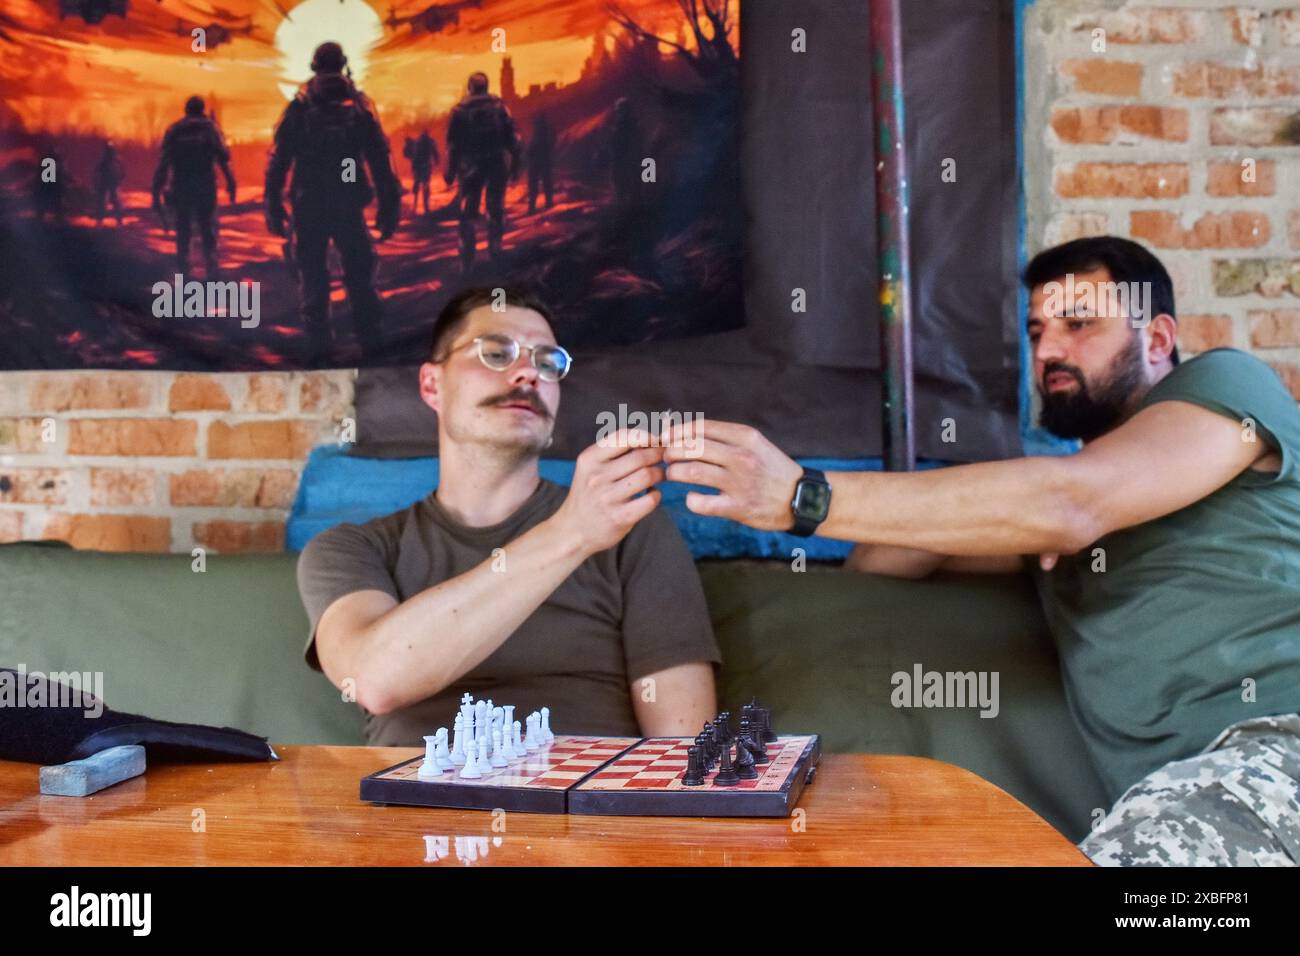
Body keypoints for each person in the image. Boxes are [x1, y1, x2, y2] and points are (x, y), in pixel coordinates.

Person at [659, 236, 1300, 866]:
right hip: (1172, 798)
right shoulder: (1059, 517)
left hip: (1274, 752)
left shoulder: (1227, 386)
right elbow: (878, 564)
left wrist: (804, 496)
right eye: (1035, 331)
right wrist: (1011, 514)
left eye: (1078, 324)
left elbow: (1074, 503)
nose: (1048, 350)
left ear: (1157, 340)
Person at [297, 286, 720, 745]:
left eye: (546, 362)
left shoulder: (632, 528)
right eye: (497, 353)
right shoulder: (350, 550)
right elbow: (375, 681)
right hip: (413, 809)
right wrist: (572, 532)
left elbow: (682, 747)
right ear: (431, 384)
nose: (527, 374)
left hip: (586, 809)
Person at [265, 41, 402, 360]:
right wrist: (389, 202)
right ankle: (371, 343)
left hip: (309, 202)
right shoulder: (357, 105)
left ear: (314, 66)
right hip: (347, 200)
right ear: (343, 64)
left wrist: (273, 203)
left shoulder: (300, 105)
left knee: (313, 275)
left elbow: (280, 160)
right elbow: (379, 157)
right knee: (360, 274)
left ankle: (320, 348)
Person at [151, 96, 236, 275]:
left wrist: (156, 191)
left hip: (181, 185)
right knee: (207, 228)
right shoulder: (210, 128)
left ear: (186, 109)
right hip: (205, 184)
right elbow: (223, 157)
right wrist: (231, 182)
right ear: (202, 109)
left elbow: (164, 162)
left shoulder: (175, 129)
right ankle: (212, 269)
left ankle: (184, 270)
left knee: (183, 229)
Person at [445, 72, 521, 270]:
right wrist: (516, 164)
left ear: (470, 87)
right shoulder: (499, 107)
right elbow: (512, 137)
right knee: (495, 207)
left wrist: (451, 171)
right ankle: (495, 249)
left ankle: (467, 258)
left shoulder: (460, 110)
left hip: (471, 166)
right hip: (497, 162)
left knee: (468, 211)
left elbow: (453, 145)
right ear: (487, 87)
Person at [403, 130, 439, 215]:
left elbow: (410, 155)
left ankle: (415, 207)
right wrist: (436, 161)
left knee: (418, 185)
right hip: (424, 166)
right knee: (425, 186)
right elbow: (435, 153)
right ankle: (425, 208)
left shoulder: (418, 142)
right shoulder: (429, 142)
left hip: (418, 167)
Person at [526, 112, 555, 213]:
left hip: (538, 161)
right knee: (545, 182)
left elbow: (532, 147)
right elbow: (551, 143)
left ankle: (533, 207)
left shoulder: (540, 132)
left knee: (535, 184)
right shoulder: (548, 130)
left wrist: (529, 153)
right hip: (543, 160)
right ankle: (547, 203)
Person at [93, 140, 125, 226]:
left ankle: (117, 219)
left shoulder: (115, 160)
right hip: (107, 182)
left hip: (111, 182)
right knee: (104, 201)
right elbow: (97, 170)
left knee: (110, 201)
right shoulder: (108, 160)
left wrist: (119, 179)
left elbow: (122, 172)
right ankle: (102, 219)